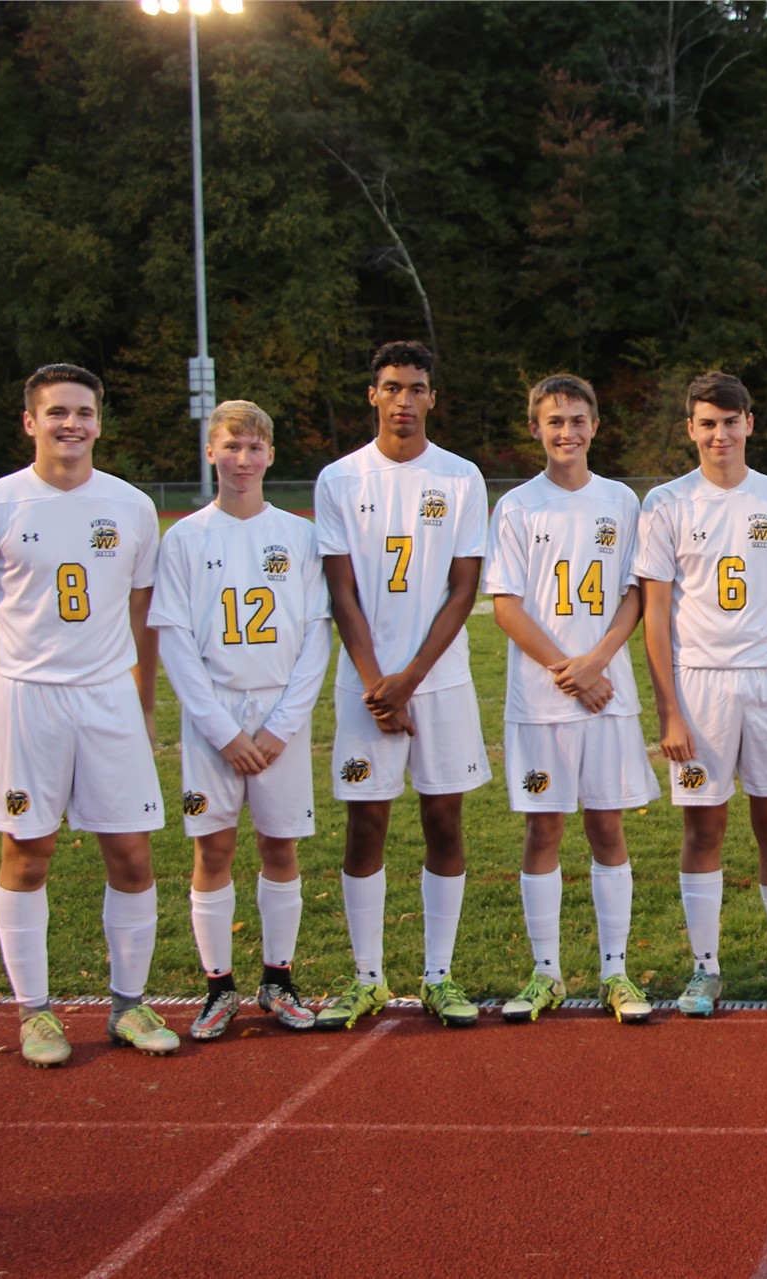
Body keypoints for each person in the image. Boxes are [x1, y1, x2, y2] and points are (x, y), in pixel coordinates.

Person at [0, 363, 177, 1064]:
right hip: (26, 700)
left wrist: (144, 699)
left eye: (83, 412)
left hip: (107, 699)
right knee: (27, 852)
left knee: (131, 853)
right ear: (30, 421)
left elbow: (143, 611)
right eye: (57, 412)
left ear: (100, 421)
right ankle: (35, 1012)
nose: (71, 424)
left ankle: (127, 1004)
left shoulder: (129, 505)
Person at [635, 371, 767, 1016]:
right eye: (707, 423)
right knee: (703, 828)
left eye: (731, 420)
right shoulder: (665, 502)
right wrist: (668, 708)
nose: (720, 433)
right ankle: (705, 969)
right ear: (690, 428)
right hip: (699, 685)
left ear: (751, 422)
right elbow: (654, 615)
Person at [313, 340, 490, 1030]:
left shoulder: (461, 477)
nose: (405, 400)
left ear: (432, 399)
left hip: (438, 684)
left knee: (444, 820)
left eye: (417, 388)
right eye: (393, 387)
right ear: (373, 395)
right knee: (367, 824)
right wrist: (375, 683)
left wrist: (408, 681)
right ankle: (366, 977)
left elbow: (463, 587)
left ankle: (439, 975)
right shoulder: (339, 478)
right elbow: (341, 591)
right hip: (366, 687)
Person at [150, 400, 330, 1039]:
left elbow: (315, 637)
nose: (244, 459)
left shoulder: (300, 534)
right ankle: (217, 988)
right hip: (213, 721)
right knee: (215, 846)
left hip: (280, 715)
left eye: (255, 448)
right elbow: (173, 641)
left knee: (279, 846)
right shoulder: (185, 538)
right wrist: (223, 733)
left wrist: (281, 726)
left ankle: (278, 980)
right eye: (231, 446)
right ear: (211, 451)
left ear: (271, 455)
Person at [486, 374, 659, 1025]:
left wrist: (598, 660)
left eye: (578, 419)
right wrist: (569, 668)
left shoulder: (620, 499)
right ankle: (547, 971)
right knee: (544, 827)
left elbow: (635, 594)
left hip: (606, 692)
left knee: (607, 825)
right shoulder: (517, 506)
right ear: (535, 428)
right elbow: (505, 604)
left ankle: (615, 971)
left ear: (596, 425)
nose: (567, 431)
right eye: (555, 421)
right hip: (542, 698)